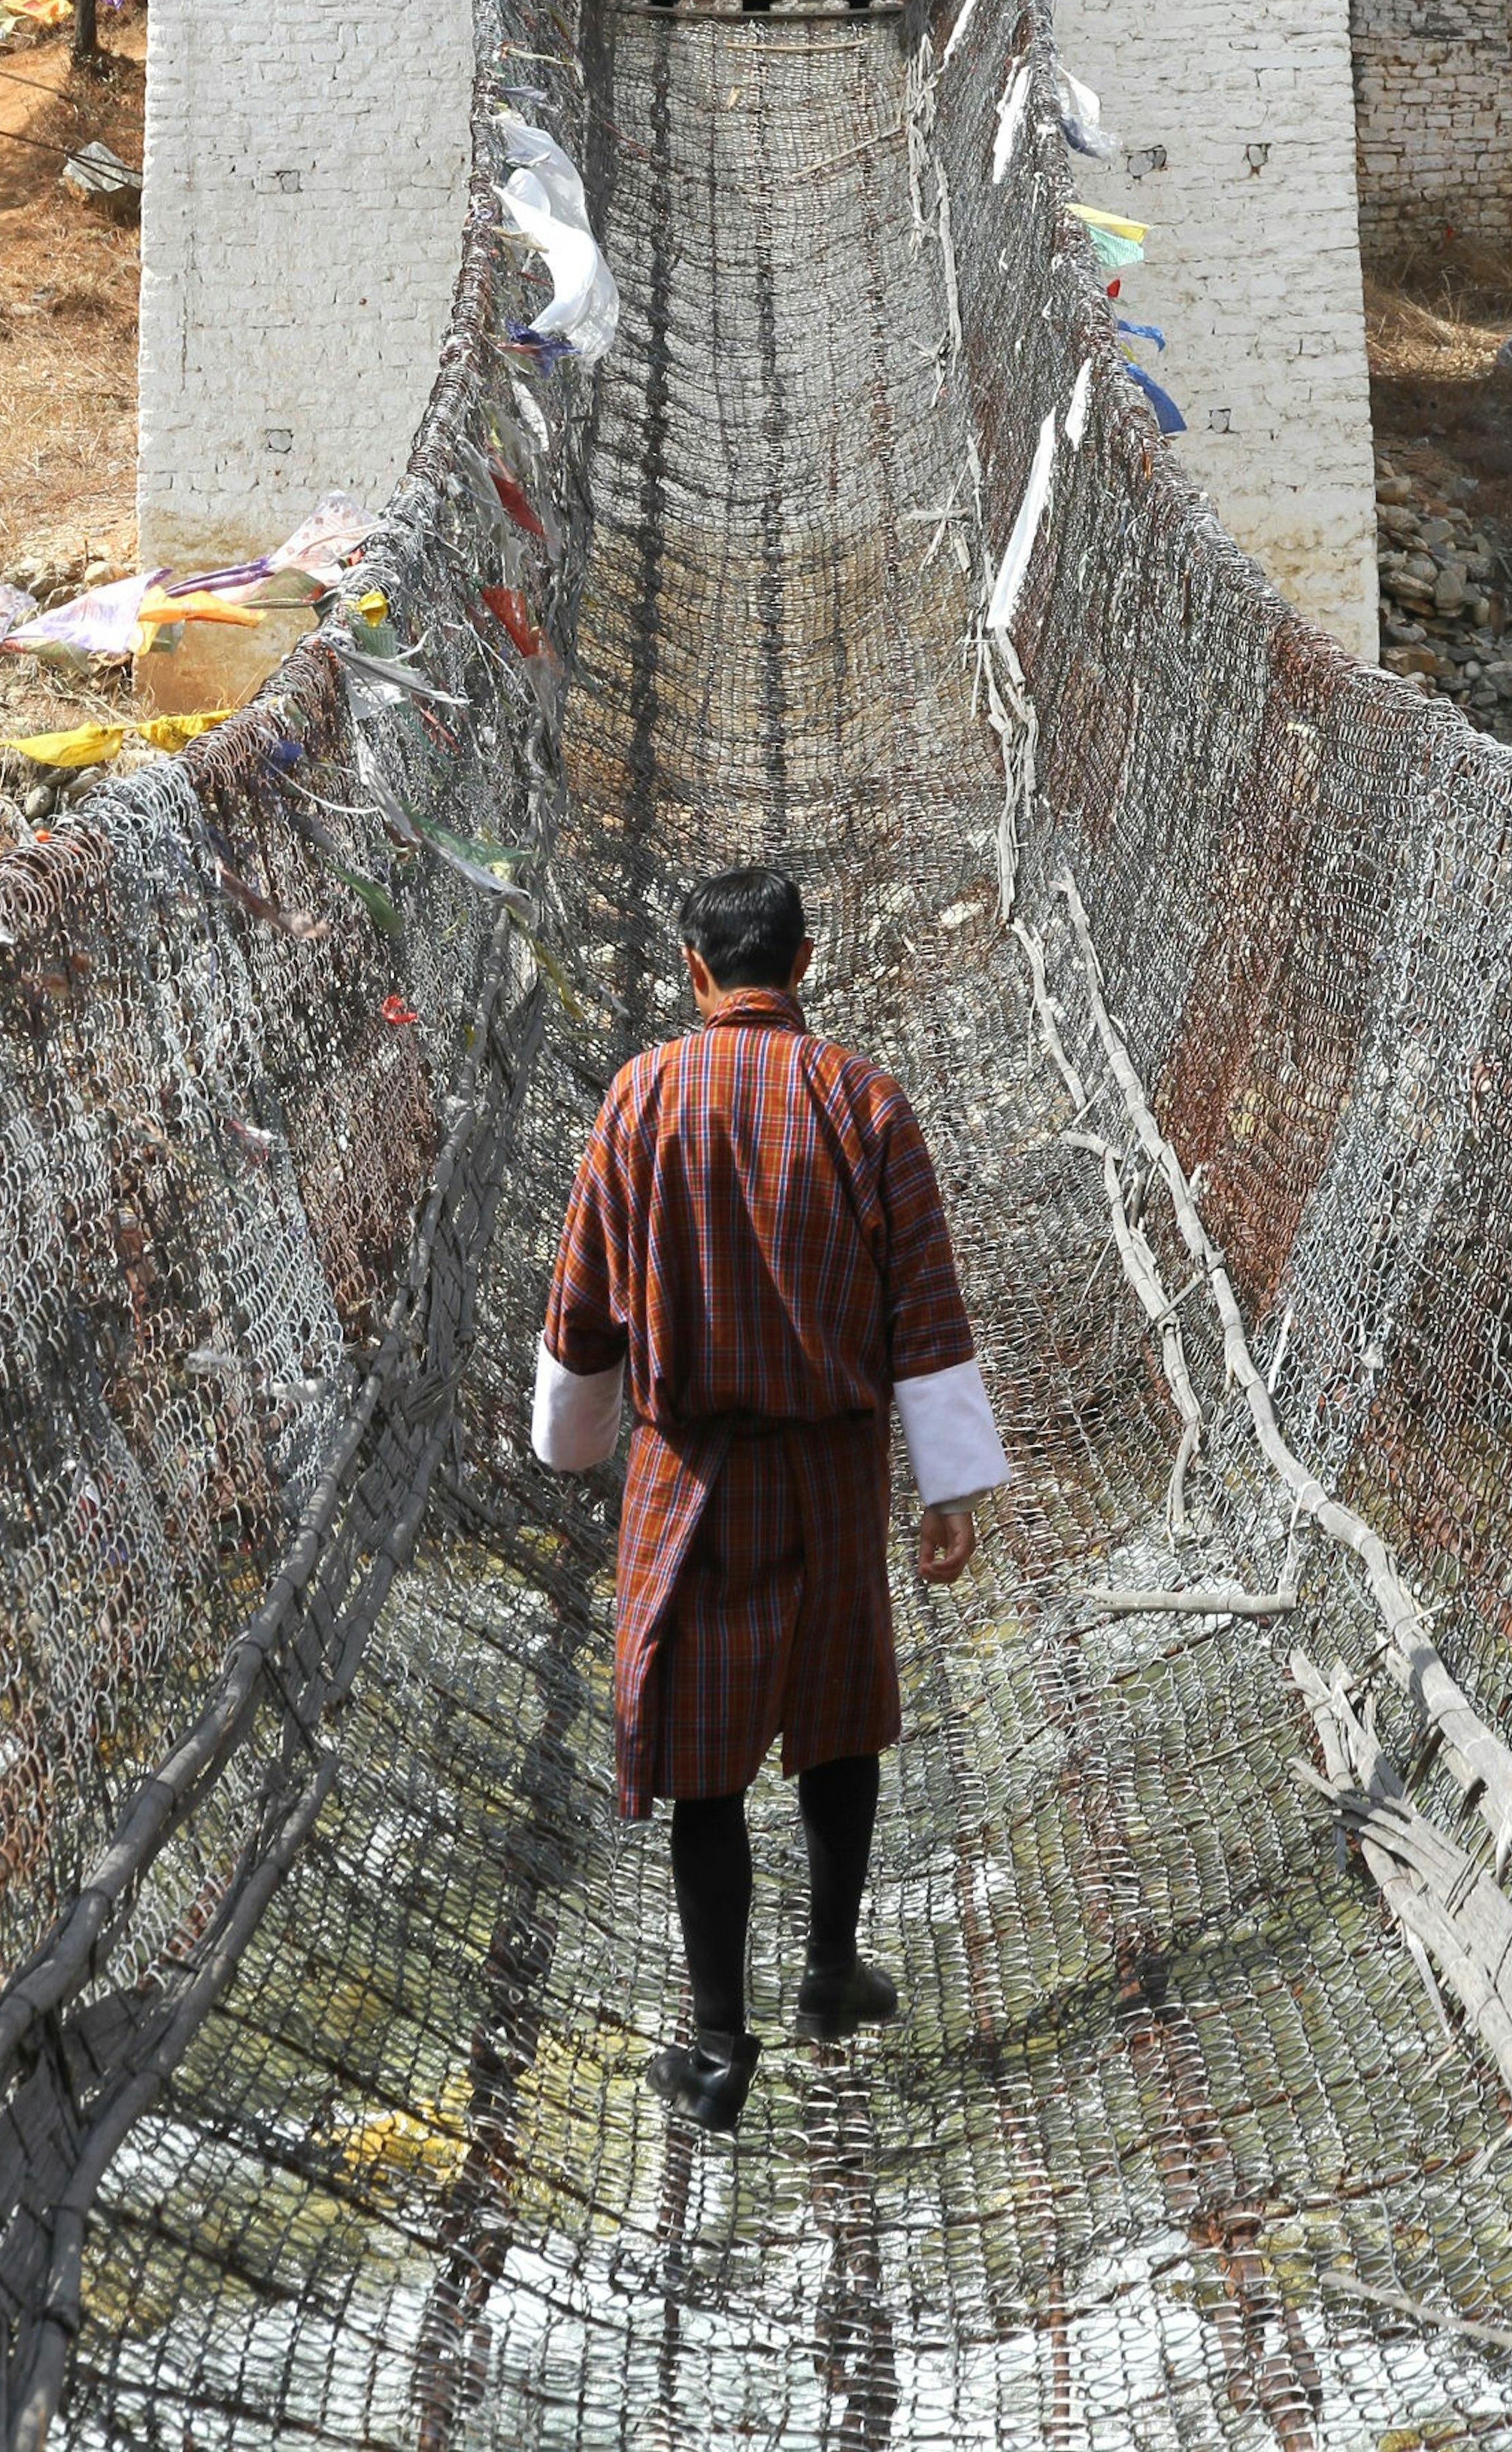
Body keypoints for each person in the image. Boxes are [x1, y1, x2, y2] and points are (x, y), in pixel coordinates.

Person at [534, 861, 1008, 2132]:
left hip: (689, 1473)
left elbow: (584, 1296)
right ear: (804, 966)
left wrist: (571, 1435)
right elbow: (925, 1302)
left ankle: (716, 2045)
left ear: (696, 971)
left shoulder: (638, 1099)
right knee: (838, 1724)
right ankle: (831, 1975)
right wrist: (947, 1488)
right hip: (835, 1471)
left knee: (706, 1766)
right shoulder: (864, 1101)